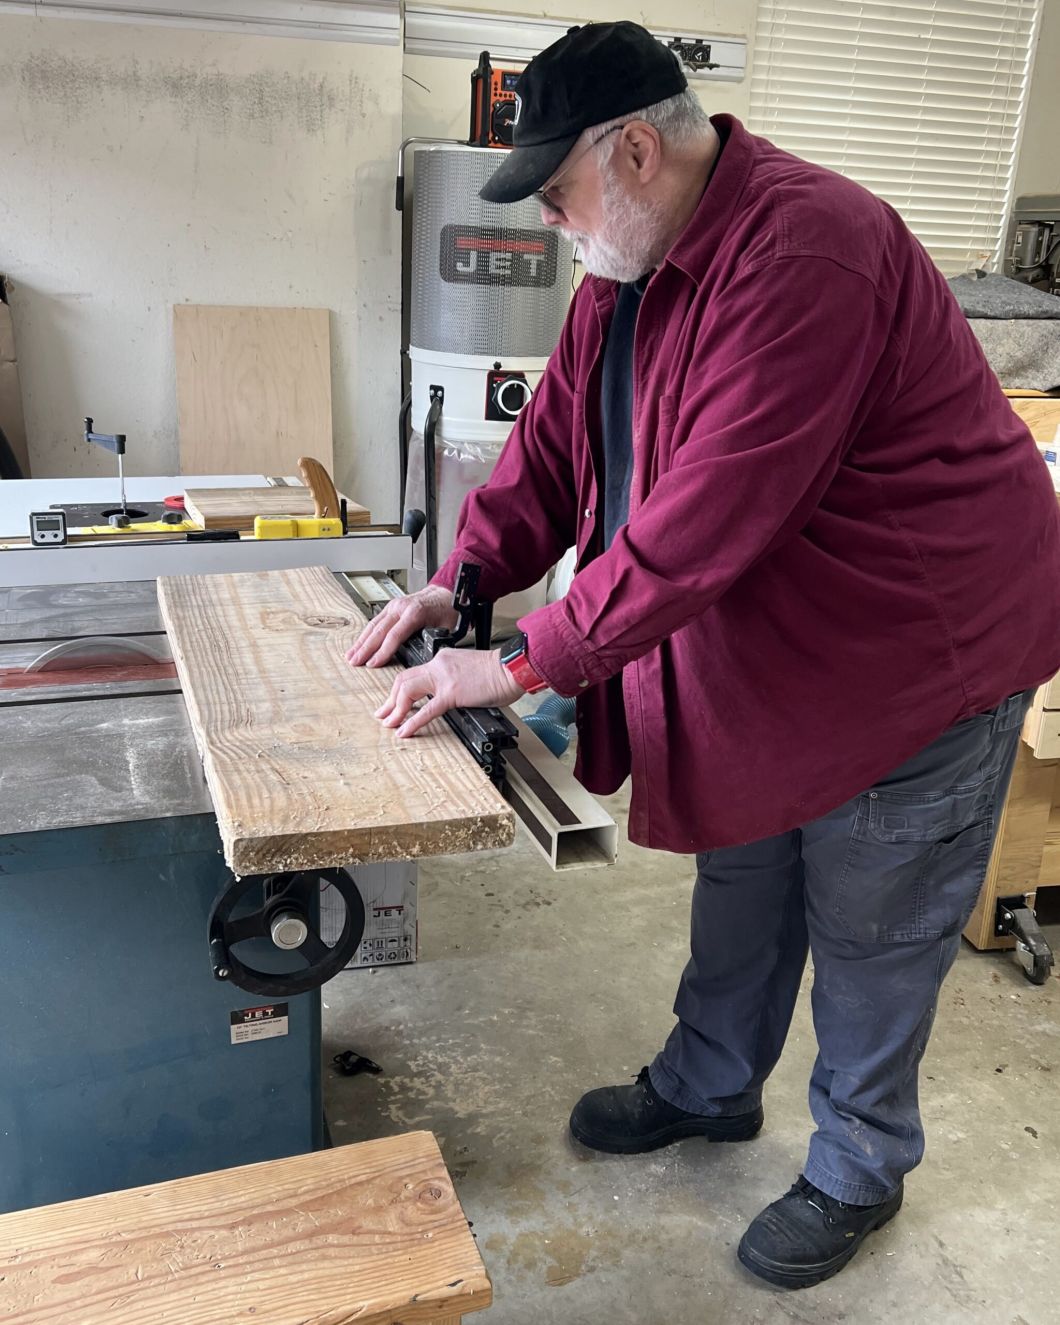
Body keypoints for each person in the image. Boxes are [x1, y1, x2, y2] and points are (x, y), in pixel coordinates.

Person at [348, 20, 1060, 1290]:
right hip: (784, 643)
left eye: (560, 194)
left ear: (633, 150)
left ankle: (857, 1162)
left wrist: (519, 664)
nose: (555, 226)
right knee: (745, 860)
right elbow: (553, 452)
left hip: (918, 649)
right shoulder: (626, 271)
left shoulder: (808, 252)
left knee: (873, 918)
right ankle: (711, 1082)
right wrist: (464, 584)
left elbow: (709, 513)